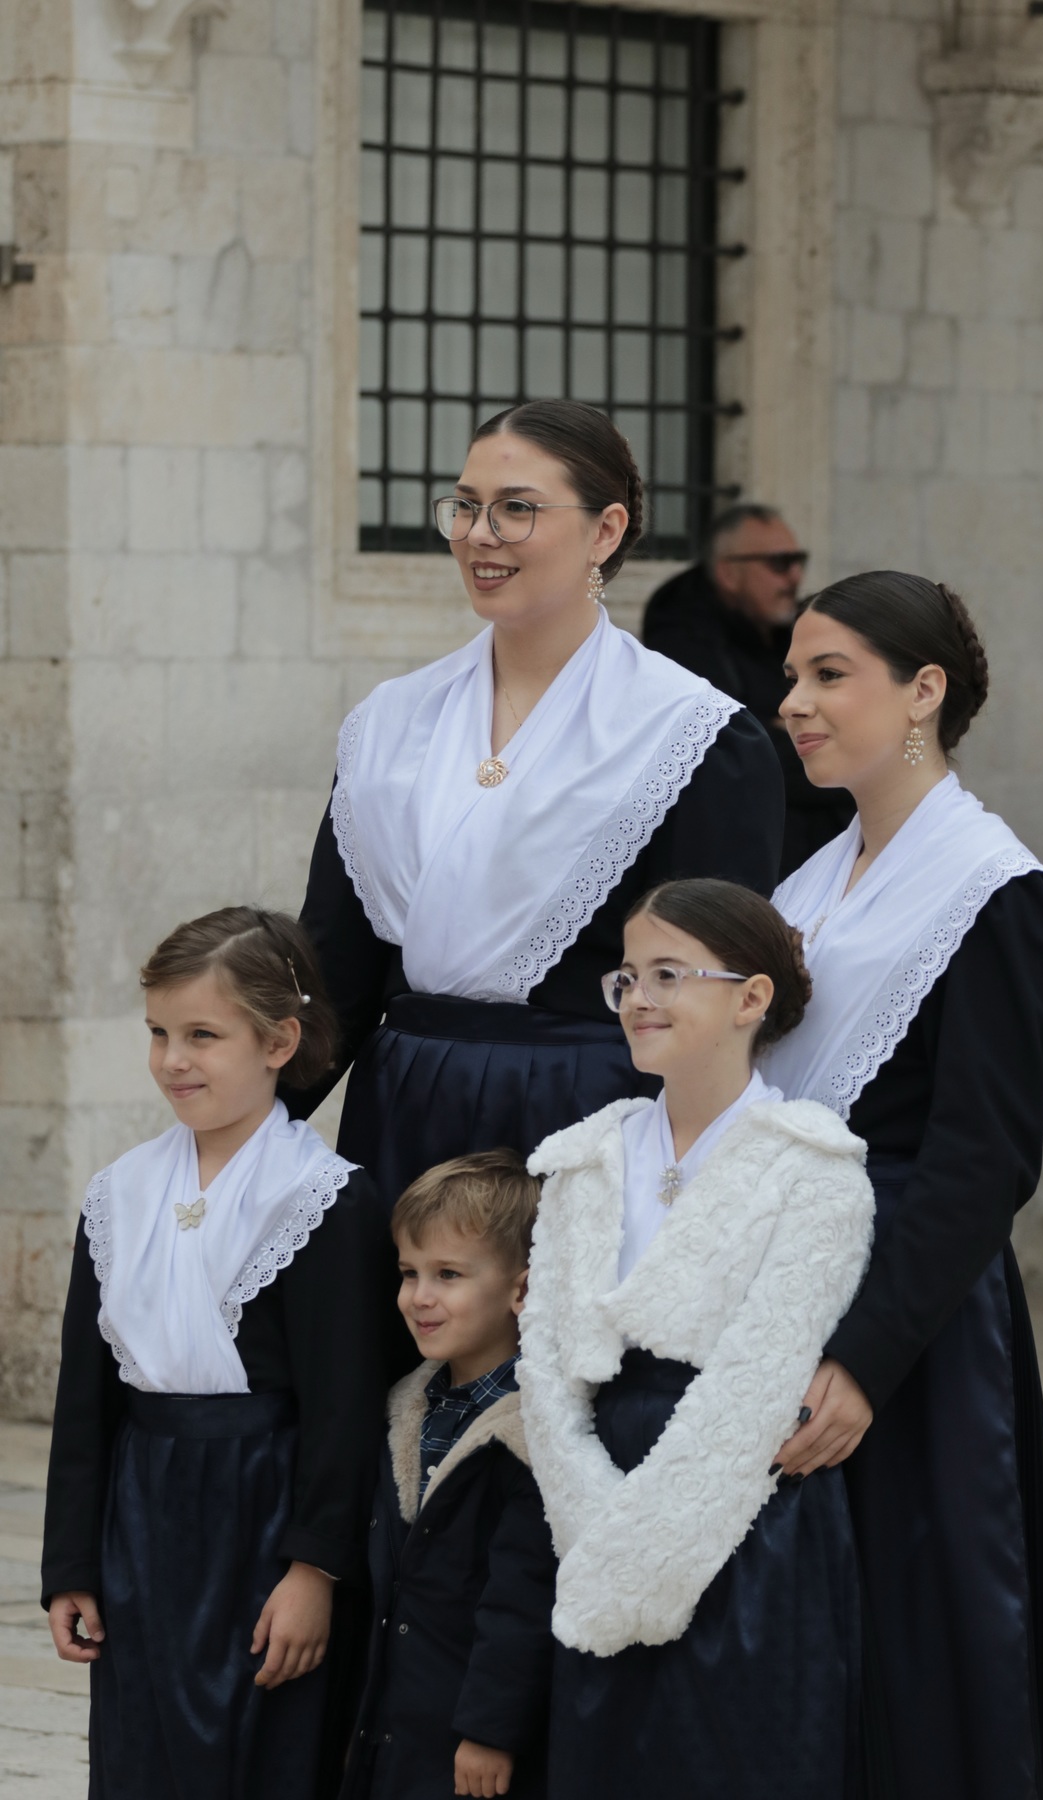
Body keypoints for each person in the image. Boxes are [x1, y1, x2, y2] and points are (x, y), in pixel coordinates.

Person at [286, 401, 784, 1352]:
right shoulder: (390, 726)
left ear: (606, 530)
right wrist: (242, 1143)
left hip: (591, 1134)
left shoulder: (693, 737)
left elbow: (710, 1005)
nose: (481, 535)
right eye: (466, 506)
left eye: (517, 508)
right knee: (399, 1403)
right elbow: (334, 974)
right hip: (406, 1115)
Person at [763, 571, 1043, 1800]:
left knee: (926, 1641)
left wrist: (864, 1360)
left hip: (911, 1324)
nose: (794, 703)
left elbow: (983, 1161)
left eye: (828, 675)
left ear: (924, 692)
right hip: (779, 1283)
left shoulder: (1004, 897)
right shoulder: (804, 884)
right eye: (791, 676)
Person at [519, 878, 875, 1799]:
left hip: (748, 1519)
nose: (639, 997)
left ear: (751, 997)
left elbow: (758, 1384)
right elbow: (546, 1369)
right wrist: (595, 1528)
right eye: (627, 977)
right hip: (594, 1508)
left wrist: (640, 1554)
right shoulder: (585, 1158)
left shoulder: (814, 1170)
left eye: (669, 974)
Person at [41, 908, 389, 1800]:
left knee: (261, 1753)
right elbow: (86, 1400)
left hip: (263, 1516)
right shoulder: (119, 1194)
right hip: (142, 1515)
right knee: (141, 1750)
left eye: (202, 1035)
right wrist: (71, 1566)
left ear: (278, 1042)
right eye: (158, 1033)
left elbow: (344, 1410)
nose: (173, 1060)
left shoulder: (321, 1200)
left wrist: (314, 1570)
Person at [341, 1150, 556, 1800]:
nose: (419, 1297)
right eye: (409, 1273)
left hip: (475, 1743)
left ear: (522, 1290)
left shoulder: (533, 1433)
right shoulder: (405, 1407)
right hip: (392, 1728)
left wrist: (490, 1730)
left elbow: (522, 1598)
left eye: (449, 1274)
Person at [641, 503, 853, 878]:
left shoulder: (793, 630)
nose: (795, 576)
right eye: (779, 563)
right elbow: (733, 753)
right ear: (729, 573)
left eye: (797, 561)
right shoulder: (684, 639)